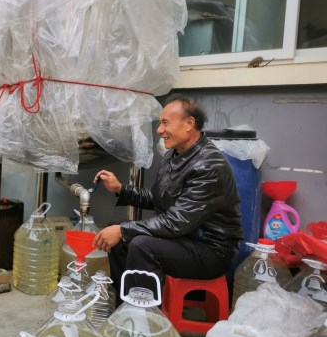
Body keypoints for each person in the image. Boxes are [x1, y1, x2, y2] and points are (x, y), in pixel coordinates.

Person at [92, 94, 242, 298]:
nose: (159, 130)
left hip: (211, 250)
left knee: (140, 244)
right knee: (118, 231)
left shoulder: (209, 165)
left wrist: (124, 230)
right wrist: (121, 189)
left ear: (189, 124)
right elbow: (159, 198)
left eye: (165, 123)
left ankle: (145, 312)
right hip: (184, 238)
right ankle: (125, 303)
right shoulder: (174, 155)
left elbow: (177, 221)